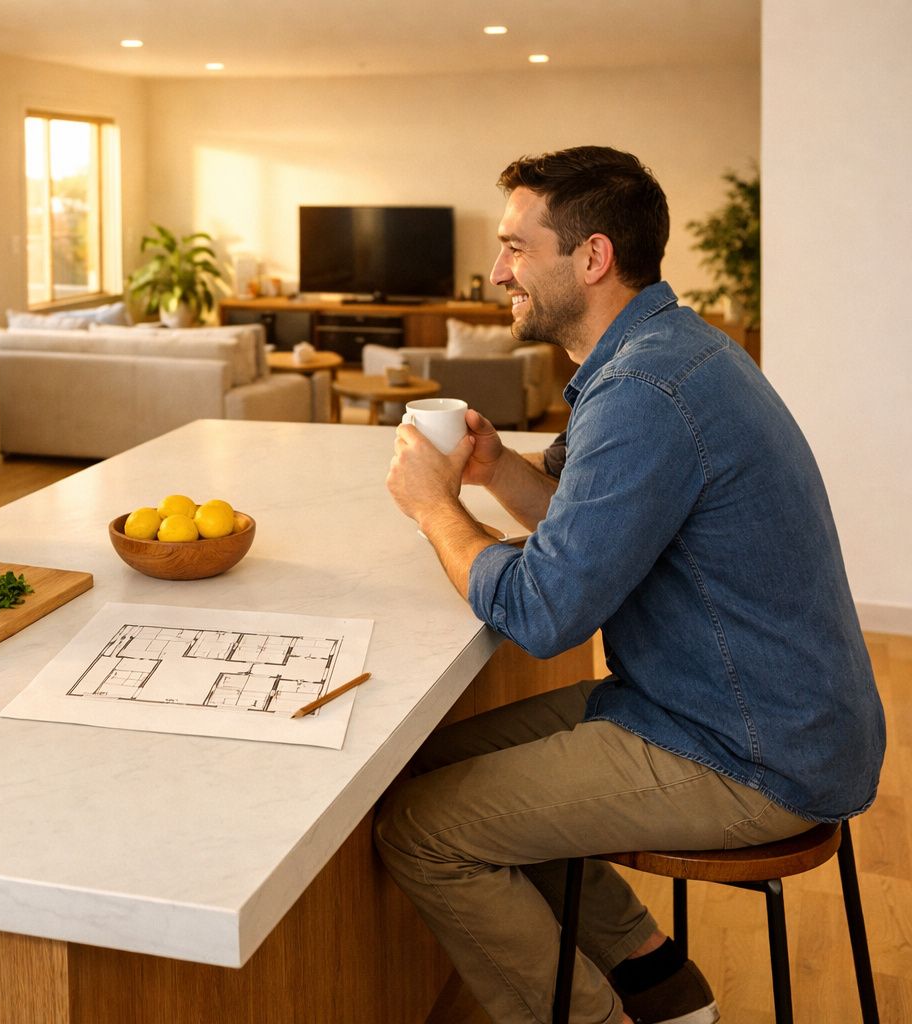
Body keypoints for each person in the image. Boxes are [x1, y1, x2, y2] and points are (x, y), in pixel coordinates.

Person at [375, 146, 884, 1024]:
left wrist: (433, 511)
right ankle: (661, 986)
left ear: (593, 257)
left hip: (749, 750)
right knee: (436, 766)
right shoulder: (664, 351)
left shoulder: (645, 388)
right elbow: (595, 530)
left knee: (424, 832)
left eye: (516, 249)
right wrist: (497, 474)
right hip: (723, 706)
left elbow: (542, 612)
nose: (499, 273)